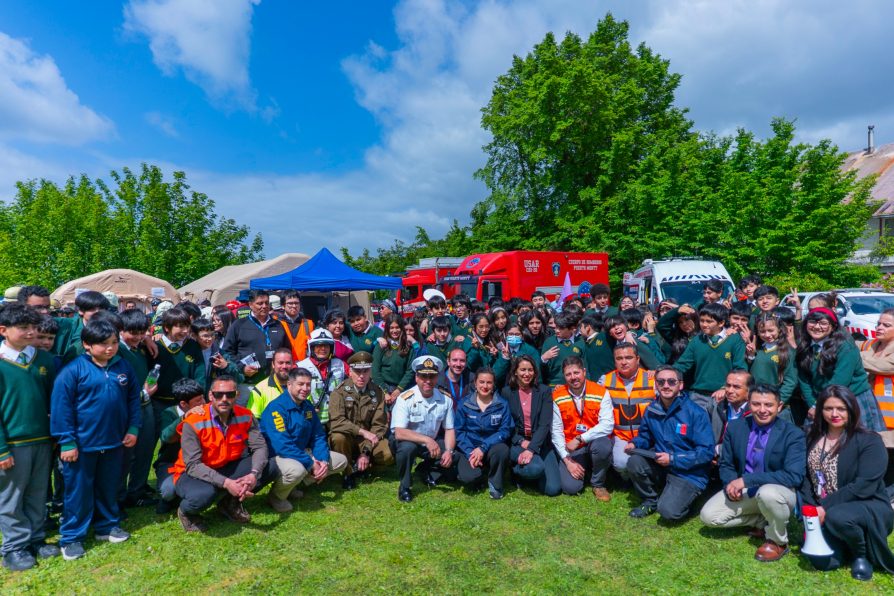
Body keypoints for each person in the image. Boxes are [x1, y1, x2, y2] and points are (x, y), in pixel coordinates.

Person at [50, 319, 141, 560]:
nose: (110, 348)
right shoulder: (72, 371)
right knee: (78, 492)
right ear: (87, 344)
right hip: (82, 445)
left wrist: (133, 427)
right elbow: (62, 408)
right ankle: (71, 537)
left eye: (113, 343)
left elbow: (133, 399)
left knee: (108, 487)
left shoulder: (123, 366)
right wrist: (67, 441)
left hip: (114, 443)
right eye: (103, 344)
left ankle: (107, 526)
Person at [700, 384, 806, 562]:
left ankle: (777, 541)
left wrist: (746, 480)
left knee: (768, 493)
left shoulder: (793, 434)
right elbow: (726, 464)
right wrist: (730, 484)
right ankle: (761, 521)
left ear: (779, 407)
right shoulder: (735, 428)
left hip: (780, 492)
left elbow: (793, 476)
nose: (762, 410)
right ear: (749, 404)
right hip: (746, 490)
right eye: (756, 404)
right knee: (709, 517)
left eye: (769, 405)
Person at [800, 385, 894, 580]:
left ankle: (862, 555)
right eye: (828, 408)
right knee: (822, 562)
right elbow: (807, 477)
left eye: (841, 409)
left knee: (838, 516)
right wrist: (812, 508)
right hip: (826, 508)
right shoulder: (811, 436)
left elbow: (864, 485)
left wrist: (824, 507)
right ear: (820, 410)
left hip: (868, 505)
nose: (835, 414)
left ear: (852, 409)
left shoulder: (869, 440)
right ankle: (846, 543)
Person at [172, 376, 272, 532]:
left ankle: (229, 503)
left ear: (237, 395)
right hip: (191, 472)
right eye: (219, 394)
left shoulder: (245, 415)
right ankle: (186, 512)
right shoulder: (193, 421)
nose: (224, 399)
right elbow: (193, 465)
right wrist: (227, 483)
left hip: (226, 465)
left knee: (270, 466)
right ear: (211, 396)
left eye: (230, 394)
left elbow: (259, 447)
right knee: (204, 495)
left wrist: (253, 474)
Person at [0, 304, 58, 571]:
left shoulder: (44, 360)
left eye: (33, 328)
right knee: (11, 497)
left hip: (42, 440)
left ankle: (35, 538)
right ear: (3, 331)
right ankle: (14, 546)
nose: (30, 333)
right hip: (12, 443)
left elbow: (55, 401)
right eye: (23, 328)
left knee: (37, 493)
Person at [625, 366, 713, 521]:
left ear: (681, 385)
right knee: (634, 462)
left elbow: (706, 453)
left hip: (689, 472)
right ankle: (650, 500)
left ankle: (694, 498)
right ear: (656, 385)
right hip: (662, 464)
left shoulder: (696, 413)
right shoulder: (652, 408)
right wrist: (635, 444)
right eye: (661, 381)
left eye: (671, 382)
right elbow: (645, 437)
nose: (666, 385)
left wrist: (673, 459)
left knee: (668, 513)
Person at [260, 368, 348, 512]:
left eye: (308, 384)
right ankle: (276, 497)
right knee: (296, 470)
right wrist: (311, 463)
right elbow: (283, 446)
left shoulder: (307, 406)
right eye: (300, 384)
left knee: (341, 461)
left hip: (299, 452)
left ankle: (294, 485)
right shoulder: (276, 409)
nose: (305, 388)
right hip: (277, 456)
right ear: (289, 385)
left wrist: (322, 460)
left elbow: (318, 435)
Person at [797, 308, 884, 431]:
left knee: (857, 442)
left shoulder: (845, 346)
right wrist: (812, 403)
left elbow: (840, 380)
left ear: (833, 327)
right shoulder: (804, 345)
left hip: (851, 397)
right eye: (812, 322)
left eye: (823, 323)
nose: (817, 327)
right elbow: (803, 378)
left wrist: (819, 405)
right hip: (819, 399)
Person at [390, 356, 456, 502]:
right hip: (407, 440)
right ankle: (405, 486)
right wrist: (427, 440)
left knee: (453, 455)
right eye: (423, 376)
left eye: (431, 376)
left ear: (437, 377)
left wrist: (449, 451)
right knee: (407, 449)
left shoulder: (445, 399)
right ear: (416, 377)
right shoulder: (405, 398)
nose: (428, 380)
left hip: (430, 441)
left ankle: (425, 469)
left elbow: (450, 429)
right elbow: (399, 432)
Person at [551, 356, 614, 500]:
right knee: (571, 488)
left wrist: (580, 438)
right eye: (568, 374)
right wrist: (568, 461)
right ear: (564, 376)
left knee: (603, 445)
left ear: (584, 372)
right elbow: (556, 431)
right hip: (571, 449)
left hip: (593, 443)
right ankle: (584, 471)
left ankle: (598, 484)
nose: (573, 377)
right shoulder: (557, 395)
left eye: (576, 373)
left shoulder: (600, 392)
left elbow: (607, 425)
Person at [328, 352, 393, 490]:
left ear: (371, 372)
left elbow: (379, 425)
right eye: (357, 371)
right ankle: (348, 473)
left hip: (368, 440)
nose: (362, 376)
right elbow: (337, 421)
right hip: (348, 438)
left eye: (365, 371)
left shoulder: (378, 392)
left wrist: (366, 452)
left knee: (387, 454)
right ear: (350, 372)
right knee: (338, 437)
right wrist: (362, 432)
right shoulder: (339, 392)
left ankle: (365, 468)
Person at [502, 355, 560, 496]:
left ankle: (532, 471)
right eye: (522, 370)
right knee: (536, 468)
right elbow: (506, 424)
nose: (526, 374)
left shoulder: (544, 391)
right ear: (515, 371)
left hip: (541, 442)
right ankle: (516, 470)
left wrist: (532, 448)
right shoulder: (507, 392)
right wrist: (521, 441)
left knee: (552, 490)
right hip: (518, 442)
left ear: (535, 372)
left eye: (530, 370)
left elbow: (545, 424)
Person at [673, 303, 747, 409]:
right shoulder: (697, 341)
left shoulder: (734, 340)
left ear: (721, 323)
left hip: (724, 396)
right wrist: (665, 373)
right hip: (698, 396)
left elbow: (740, 368)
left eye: (709, 321)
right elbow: (682, 364)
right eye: (702, 320)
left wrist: (725, 388)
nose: (704, 324)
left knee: (719, 425)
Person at [597, 342, 655, 478]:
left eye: (628, 358)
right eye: (619, 358)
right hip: (621, 436)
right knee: (621, 464)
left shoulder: (653, 379)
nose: (624, 362)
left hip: (647, 436)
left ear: (638, 359)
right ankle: (627, 478)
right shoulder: (605, 380)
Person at [454, 368, 513, 499]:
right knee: (468, 478)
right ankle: (479, 475)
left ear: (494, 385)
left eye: (489, 383)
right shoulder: (464, 404)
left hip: (491, 448)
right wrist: (471, 452)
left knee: (502, 450)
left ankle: (495, 483)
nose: (485, 386)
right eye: (481, 382)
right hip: (470, 449)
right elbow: (459, 431)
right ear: (475, 383)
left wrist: (483, 447)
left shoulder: (502, 404)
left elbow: (505, 430)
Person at [223, 289, 288, 405]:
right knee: (247, 419)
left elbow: (286, 351)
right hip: (247, 385)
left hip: (273, 383)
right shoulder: (238, 325)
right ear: (250, 305)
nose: (264, 306)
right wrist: (241, 367)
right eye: (260, 303)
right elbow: (227, 352)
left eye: (267, 303)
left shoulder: (278, 325)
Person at [150, 307, 207, 436]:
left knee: (185, 436)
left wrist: (197, 398)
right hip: (158, 401)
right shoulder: (155, 346)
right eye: (180, 327)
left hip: (184, 403)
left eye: (187, 326)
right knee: (160, 436)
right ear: (166, 327)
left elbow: (200, 374)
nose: (185, 331)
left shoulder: (192, 346)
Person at [154, 378, 206, 513]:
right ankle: (168, 499)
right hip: (171, 463)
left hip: (198, 461)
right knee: (168, 491)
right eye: (198, 401)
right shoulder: (169, 413)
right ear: (183, 404)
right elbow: (165, 437)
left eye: (203, 398)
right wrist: (184, 419)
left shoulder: (206, 411)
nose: (203, 403)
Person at [295, 328, 346, 426]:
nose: (323, 349)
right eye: (319, 345)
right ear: (312, 348)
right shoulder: (299, 367)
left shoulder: (341, 364)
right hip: (310, 420)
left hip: (336, 419)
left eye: (326, 345)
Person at [858, 308, 894, 435]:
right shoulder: (870, 344)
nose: (879, 327)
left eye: (886, 325)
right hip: (867, 412)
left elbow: (884, 366)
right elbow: (845, 344)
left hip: (889, 421)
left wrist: (854, 357)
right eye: (878, 324)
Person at [706, 370, 753, 455]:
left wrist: (716, 451)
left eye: (736, 387)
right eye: (728, 385)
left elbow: (745, 446)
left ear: (749, 391)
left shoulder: (755, 414)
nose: (730, 390)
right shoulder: (715, 405)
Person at [372, 314, 415, 404]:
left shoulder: (408, 346)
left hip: (402, 388)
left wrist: (398, 390)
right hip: (383, 387)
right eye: (391, 328)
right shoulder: (381, 345)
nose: (394, 331)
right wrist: (385, 392)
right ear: (387, 329)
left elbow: (410, 370)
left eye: (397, 327)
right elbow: (375, 371)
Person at [245, 347, 293, 418]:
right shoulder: (259, 390)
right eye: (280, 363)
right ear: (273, 365)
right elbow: (254, 421)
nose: (284, 366)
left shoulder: (301, 386)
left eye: (288, 363)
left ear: (292, 364)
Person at [541, 312, 585, 387]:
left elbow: (585, 366)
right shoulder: (549, 342)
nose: (557, 330)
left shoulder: (581, 342)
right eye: (556, 327)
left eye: (561, 328)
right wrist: (543, 359)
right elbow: (542, 371)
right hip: (554, 385)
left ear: (572, 328)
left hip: (576, 385)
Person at [279, 291, 315, 363]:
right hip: (284, 366)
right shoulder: (277, 324)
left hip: (304, 366)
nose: (294, 306)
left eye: (296, 303)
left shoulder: (308, 324)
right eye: (290, 303)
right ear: (283, 306)